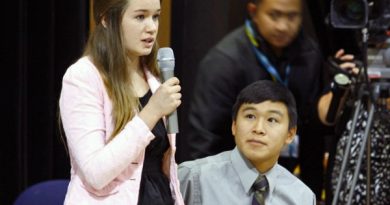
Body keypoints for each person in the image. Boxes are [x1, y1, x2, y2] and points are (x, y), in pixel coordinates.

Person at [183, 0, 356, 198]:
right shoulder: (224, 62)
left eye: (292, 16)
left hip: (289, 184)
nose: (283, 26)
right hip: (230, 184)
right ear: (254, 11)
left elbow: (311, 130)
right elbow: (205, 139)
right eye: (274, 15)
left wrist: (333, 98)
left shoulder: (310, 54)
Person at [59, 0, 184, 204]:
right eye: (140, 17)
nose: (151, 27)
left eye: (156, 16)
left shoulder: (154, 76)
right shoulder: (83, 76)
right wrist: (151, 112)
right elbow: (95, 173)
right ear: (107, 19)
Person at [179, 80, 316, 205]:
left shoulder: (302, 197)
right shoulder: (193, 177)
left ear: (290, 134)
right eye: (250, 116)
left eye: (272, 120)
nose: (258, 129)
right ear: (234, 125)